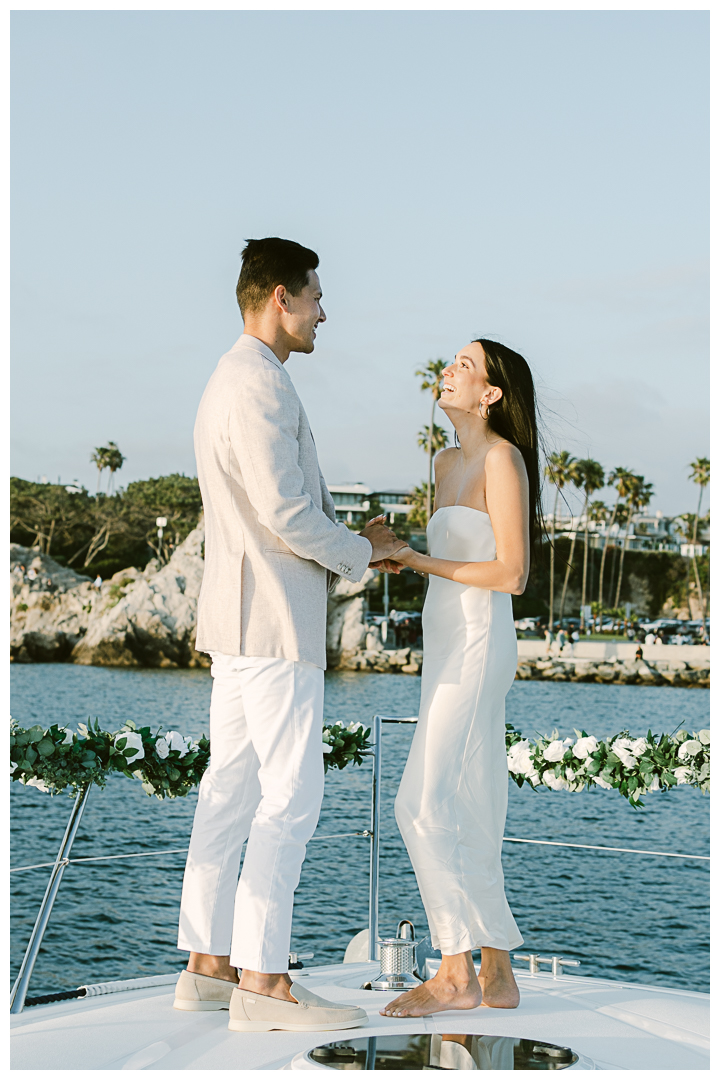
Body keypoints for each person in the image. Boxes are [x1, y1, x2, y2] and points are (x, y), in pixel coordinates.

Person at [175, 238, 403, 1033]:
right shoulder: (261, 385)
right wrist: (362, 552)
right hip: (273, 620)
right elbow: (285, 512)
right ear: (279, 297)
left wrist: (351, 536)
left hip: (237, 624)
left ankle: (208, 963)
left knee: (230, 789)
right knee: (291, 798)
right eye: (312, 297)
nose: (321, 311)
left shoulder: (224, 378)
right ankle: (264, 982)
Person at [378, 337, 540, 1018]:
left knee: (416, 804)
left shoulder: (502, 459)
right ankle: (497, 970)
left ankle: (453, 970)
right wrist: (391, 553)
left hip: (478, 640)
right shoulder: (444, 462)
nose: (448, 370)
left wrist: (415, 560)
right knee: (474, 805)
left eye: (464, 366)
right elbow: (443, 558)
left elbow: (511, 575)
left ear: (490, 395)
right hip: (443, 644)